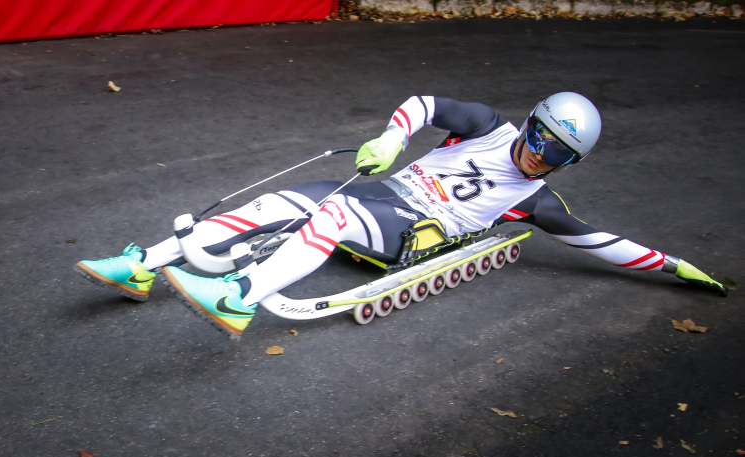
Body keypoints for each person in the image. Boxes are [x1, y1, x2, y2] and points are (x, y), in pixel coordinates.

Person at [75, 92, 727, 337]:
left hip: (415, 232)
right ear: (529, 123)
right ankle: (145, 265)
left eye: (555, 151)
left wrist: (677, 267)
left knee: (323, 222)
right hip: (384, 191)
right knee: (273, 202)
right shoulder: (490, 129)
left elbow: (601, 242)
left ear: (569, 161)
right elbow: (423, 103)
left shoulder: (537, 200)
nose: (536, 153)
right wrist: (392, 137)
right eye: (538, 135)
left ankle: (239, 296)